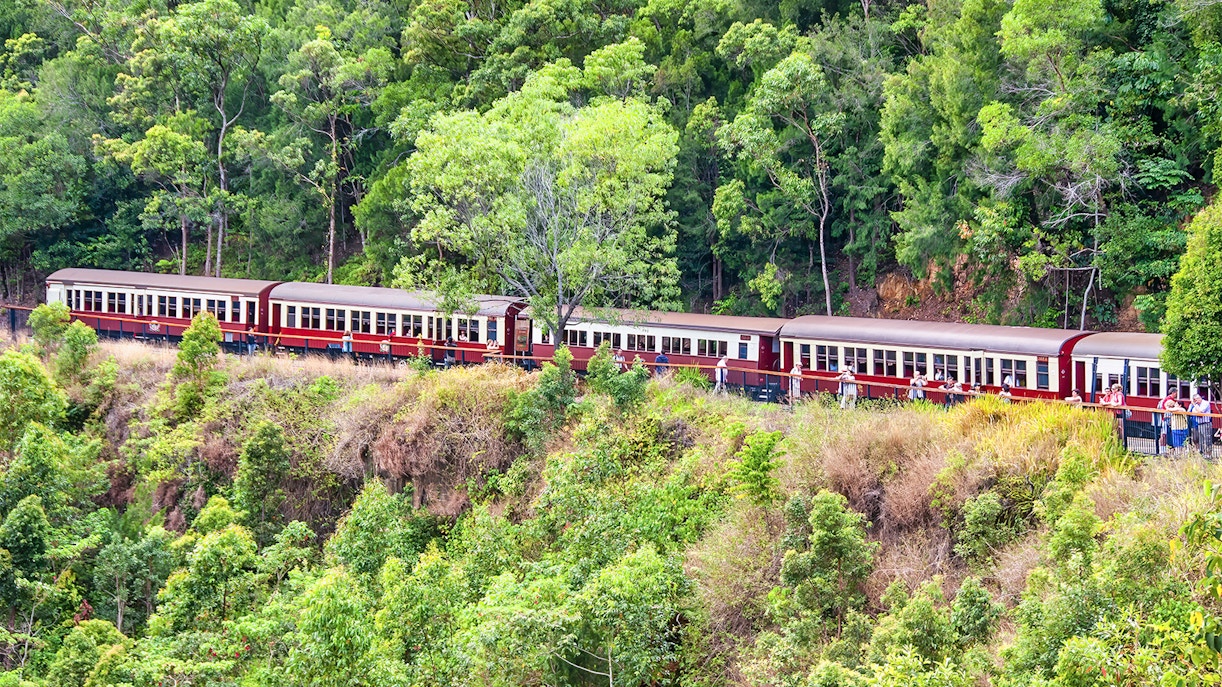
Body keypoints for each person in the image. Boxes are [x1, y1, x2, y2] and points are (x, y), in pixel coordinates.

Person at [1189, 392, 1214, 458]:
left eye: (1197, 399)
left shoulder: (1205, 403)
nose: (1196, 401)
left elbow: (1200, 412)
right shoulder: (1195, 406)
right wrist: (1197, 410)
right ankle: (1202, 453)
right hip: (1199, 424)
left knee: (1207, 438)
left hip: (1206, 423)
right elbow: (1193, 413)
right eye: (1195, 400)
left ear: (1199, 398)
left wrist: (1195, 405)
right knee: (1201, 439)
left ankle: (1208, 454)